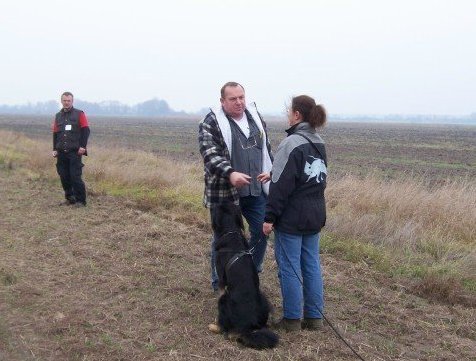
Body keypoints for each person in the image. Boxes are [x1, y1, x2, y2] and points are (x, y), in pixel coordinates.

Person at [198, 82, 273, 291]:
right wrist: (230, 173)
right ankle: (220, 283)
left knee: (261, 231)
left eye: (241, 97)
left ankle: (248, 273)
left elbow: (266, 149)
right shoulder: (211, 122)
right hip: (225, 194)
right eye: (233, 99)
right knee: (224, 239)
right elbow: (210, 154)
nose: (239, 102)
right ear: (222, 101)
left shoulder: (255, 117)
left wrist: (272, 172)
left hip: (256, 190)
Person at [263, 95, 327, 332]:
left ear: (297, 115)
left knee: (289, 267)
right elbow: (313, 178)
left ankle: (291, 320)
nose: (288, 114)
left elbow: (280, 188)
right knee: (311, 265)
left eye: (289, 111)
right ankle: (314, 319)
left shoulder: (290, 143)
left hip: (291, 218)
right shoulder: (318, 141)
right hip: (315, 214)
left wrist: (269, 218)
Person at [52, 92, 90, 207]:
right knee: (64, 176)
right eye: (64, 100)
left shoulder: (79, 114)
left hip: (75, 152)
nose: (66, 102)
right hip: (61, 152)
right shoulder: (58, 116)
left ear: (72, 101)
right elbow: (55, 133)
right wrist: (54, 148)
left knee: (75, 176)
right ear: (61, 101)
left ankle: (81, 201)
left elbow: (86, 130)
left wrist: (83, 146)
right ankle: (70, 198)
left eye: (69, 101)